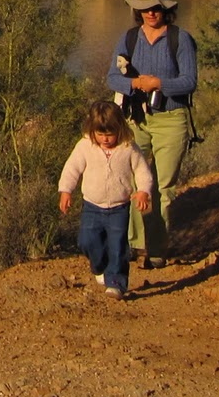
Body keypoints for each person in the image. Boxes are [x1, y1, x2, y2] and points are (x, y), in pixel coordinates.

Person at [106, 0, 197, 268]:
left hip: (172, 119)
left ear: (165, 9)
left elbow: (189, 81)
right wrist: (135, 83)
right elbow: (112, 77)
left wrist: (159, 84)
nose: (151, 13)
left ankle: (156, 249)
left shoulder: (180, 39)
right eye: (145, 8)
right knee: (131, 179)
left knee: (162, 187)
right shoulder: (129, 39)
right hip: (137, 118)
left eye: (156, 8)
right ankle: (134, 244)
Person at [58, 99, 154, 299]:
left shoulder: (129, 147)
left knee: (118, 246)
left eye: (109, 134)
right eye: (100, 134)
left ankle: (116, 283)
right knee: (86, 241)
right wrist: (66, 191)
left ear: (119, 129)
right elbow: (72, 168)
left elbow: (142, 171)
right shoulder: (85, 146)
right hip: (92, 206)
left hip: (119, 207)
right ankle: (100, 266)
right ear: (92, 130)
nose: (105, 139)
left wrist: (144, 191)